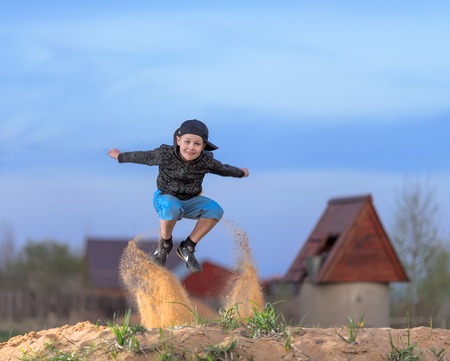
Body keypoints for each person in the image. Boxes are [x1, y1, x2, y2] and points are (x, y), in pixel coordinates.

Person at [108, 119, 249, 272]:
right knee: (171, 206)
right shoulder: (165, 154)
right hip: (165, 198)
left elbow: (223, 169)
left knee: (215, 210)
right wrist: (120, 156)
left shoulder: (205, 161)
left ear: (203, 146)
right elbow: (143, 157)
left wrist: (240, 173)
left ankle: (188, 247)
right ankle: (165, 244)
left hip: (190, 201)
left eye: (197, 144)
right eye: (187, 142)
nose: (191, 148)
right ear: (178, 140)